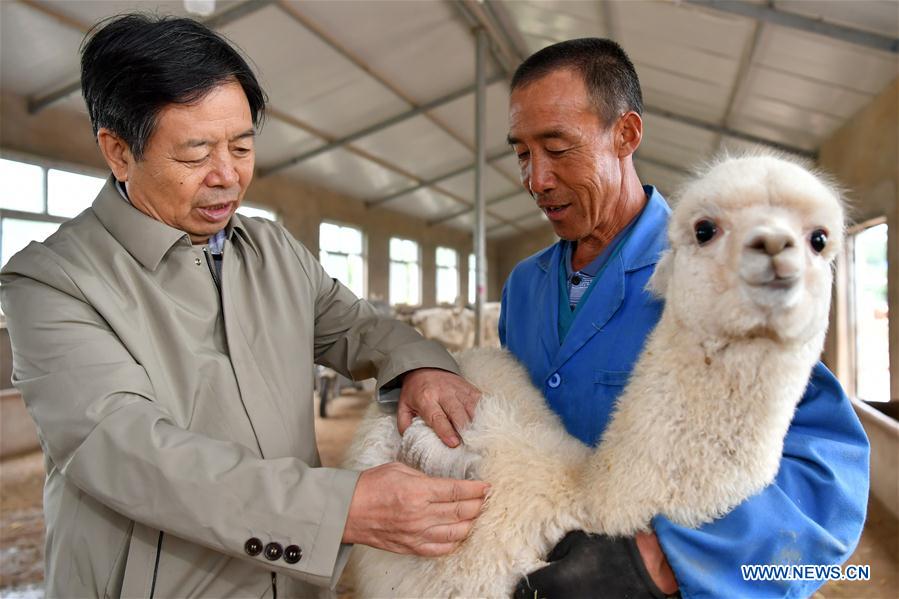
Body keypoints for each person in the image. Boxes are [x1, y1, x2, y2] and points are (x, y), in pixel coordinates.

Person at [0, 14, 488, 598]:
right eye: (195, 154)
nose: (228, 176)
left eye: (242, 146)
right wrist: (337, 509)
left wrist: (419, 364)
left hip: (293, 582)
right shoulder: (54, 280)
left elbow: (358, 326)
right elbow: (125, 450)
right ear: (119, 152)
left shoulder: (273, 250)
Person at [500, 38, 869, 598]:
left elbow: (828, 472)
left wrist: (665, 559)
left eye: (557, 148)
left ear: (626, 134)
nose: (537, 179)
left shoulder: (715, 269)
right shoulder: (524, 287)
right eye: (523, 154)